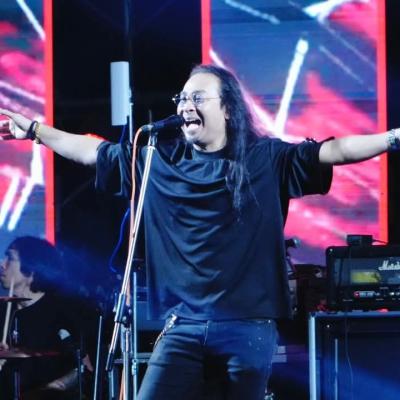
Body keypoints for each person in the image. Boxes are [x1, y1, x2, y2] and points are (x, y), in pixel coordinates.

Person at [0, 64, 398, 399]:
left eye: (198, 98)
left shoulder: (265, 158)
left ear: (227, 109)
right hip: (184, 326)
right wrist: (35, 130)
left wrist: (393, 138)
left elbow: (335, 151)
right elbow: (92, 151)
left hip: (247, 326)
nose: (185, 105)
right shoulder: (158, 161)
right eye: (182, 98)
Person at [0, 236, 90, 399]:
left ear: (31, 267)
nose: (2, 264)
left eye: (10, 258)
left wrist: (54, 387)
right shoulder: (4, 310)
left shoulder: (65, 311)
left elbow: (85, 367)